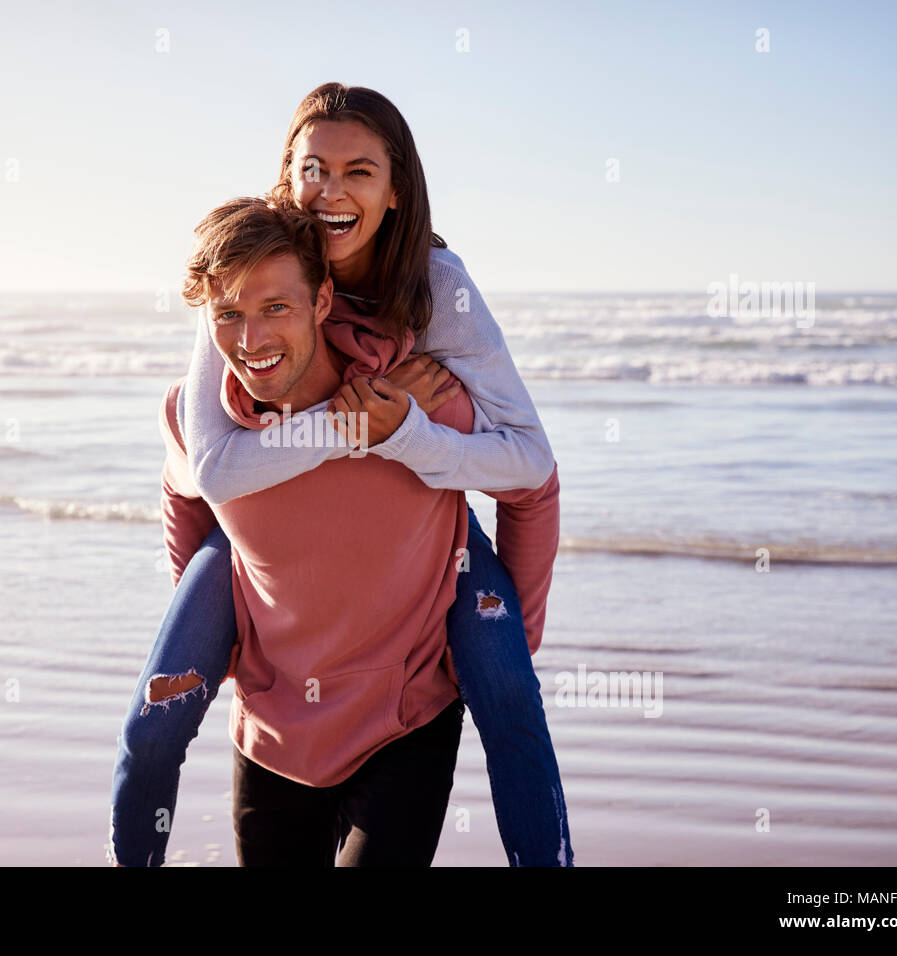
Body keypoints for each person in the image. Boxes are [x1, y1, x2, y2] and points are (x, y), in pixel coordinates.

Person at [109, 83, 572, 867]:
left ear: (397, 192)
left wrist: (413, 434)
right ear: (285, 176)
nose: (330, 191)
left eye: (360, 171)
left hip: (434, 541)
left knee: (510, 700)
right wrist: (223, 612)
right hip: (254, 525)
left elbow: (529, 461)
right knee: (152, 721)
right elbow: (205, 467)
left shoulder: (436, 287)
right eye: (312, 169)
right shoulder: (242, 269)